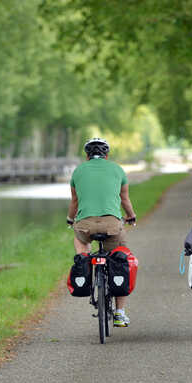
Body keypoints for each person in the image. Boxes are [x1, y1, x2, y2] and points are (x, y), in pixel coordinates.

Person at [67, 138, 137, 327]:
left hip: (85, 225)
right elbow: (124, 199)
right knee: (120, 259)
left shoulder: (78, 171)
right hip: (111, 225)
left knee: (80, 240)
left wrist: (69, 219)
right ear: (106, 155)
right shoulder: (117, 170)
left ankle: (85, 263)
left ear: (87, 156)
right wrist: (131, 216)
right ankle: (120, 313)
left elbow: (74, 202)